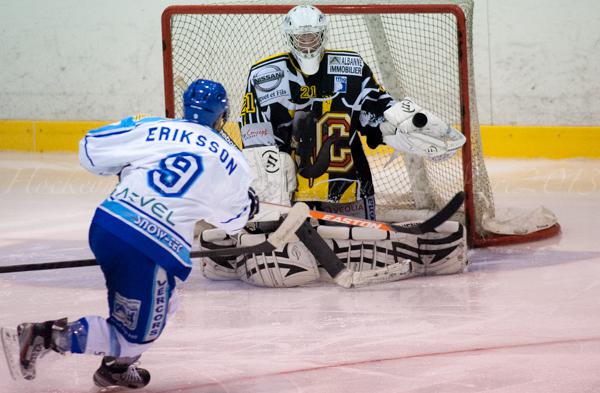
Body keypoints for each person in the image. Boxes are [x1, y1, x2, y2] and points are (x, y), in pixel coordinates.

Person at [0, 79, 259, 389]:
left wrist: (125, 167)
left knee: (169, 299)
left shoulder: (153, 127)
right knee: (132, 338)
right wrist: (250, 205)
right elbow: (233, 222)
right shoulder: (234, 162)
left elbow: (90, 150)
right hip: (149, 247)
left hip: (108, 224)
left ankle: (117, 367)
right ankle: (45, 337)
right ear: (222, 117)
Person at [199, 5, 468, 289]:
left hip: (349, 185)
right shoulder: (265, 74)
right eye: (302, 37)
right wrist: (270, 198)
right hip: (292, 192)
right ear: (289, 37)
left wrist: (402, 125)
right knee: (303, 250)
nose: (307, 43)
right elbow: (257, 141)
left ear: (324, 35)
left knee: (354, 250)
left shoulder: (351, 66)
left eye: (313, 36)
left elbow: (376, 113)